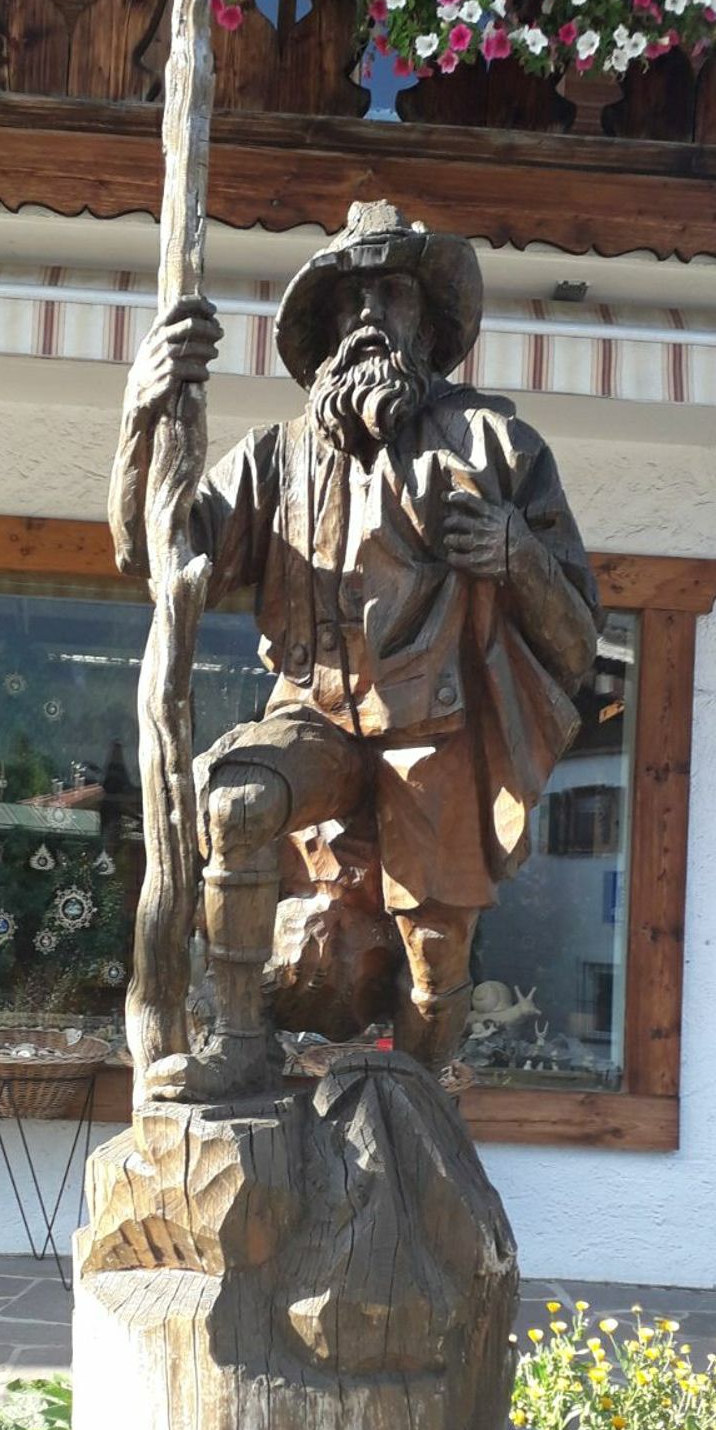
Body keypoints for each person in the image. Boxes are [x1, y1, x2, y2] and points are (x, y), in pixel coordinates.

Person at [110, 201, 601, 1101]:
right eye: (351, 298)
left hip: (436, 732)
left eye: (391, 293)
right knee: (237, 800)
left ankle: (413, 1107)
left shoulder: (496, 446)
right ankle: (241, 1042)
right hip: (312, 715)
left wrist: (516, 553)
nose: (370, 313)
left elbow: (577, 633)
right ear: (327, 325)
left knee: (434, 956)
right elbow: (154, 556)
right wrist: (145, 416)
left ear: (425, 319)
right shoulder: (275, 456)